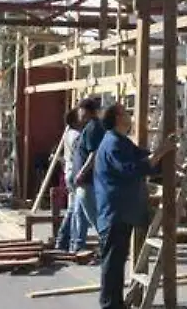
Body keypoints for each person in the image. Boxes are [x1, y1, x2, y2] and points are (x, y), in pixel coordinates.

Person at [93, 103, 177, 309]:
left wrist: (167, 159)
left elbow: (142, 155)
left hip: (121, 212)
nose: (130, 116)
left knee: (117, 261)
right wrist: (162, 152)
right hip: (115, 213)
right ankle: (110, 305)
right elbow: (133, 168)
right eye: (125, 113)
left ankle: (115, 303)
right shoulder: (113, 143)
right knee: (113, 263)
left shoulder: (121, 142)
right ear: (118, 118)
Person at [71, 97, 105, 254]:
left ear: (88, 112)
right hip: (83, 181)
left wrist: (81, 172)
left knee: (93, 215)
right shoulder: (89, 127)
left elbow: (94, 153)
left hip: (88, 181)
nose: (79, 113)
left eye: (81, 110)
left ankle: (106, 243)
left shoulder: (93, 128)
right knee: (78, 214)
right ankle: (77, 245)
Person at [54, 108, 83, 252]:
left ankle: (63, 240)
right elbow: (80, 154)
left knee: (73, 208)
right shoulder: (77, 135)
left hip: (69, 171)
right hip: (75, 172)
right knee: (76, 209)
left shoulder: (68, 134)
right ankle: (69, 240)